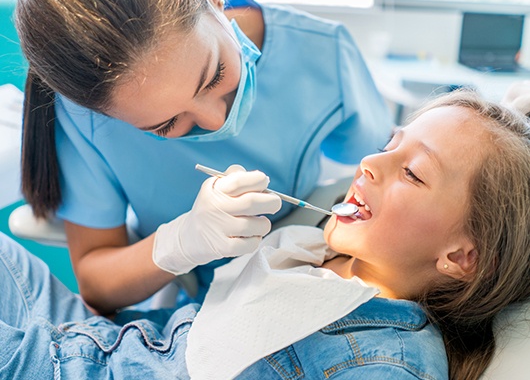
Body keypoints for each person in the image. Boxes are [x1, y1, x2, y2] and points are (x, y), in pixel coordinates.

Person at [2, 89, 530, 380]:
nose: (370, 162)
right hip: (91, 340)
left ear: (462, 257)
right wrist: (184, 239)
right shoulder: (316, 255)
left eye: (413, 173)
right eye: (390, 143)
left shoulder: (387, 365)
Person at [14, 0, 393, 314]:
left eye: (215, 76)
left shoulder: (322, 50)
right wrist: (180, 244)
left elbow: (381, 172)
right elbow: (97, 283)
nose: (216, 121)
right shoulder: (82, 120)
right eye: (165, 124)